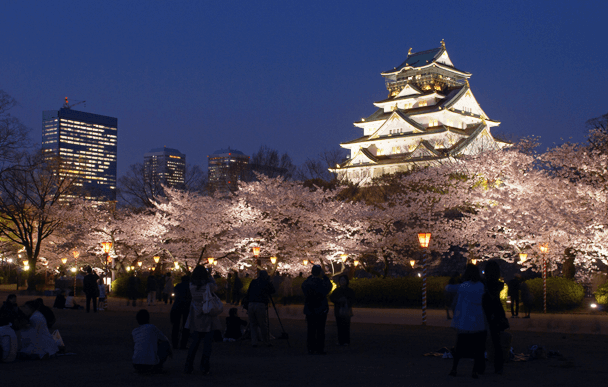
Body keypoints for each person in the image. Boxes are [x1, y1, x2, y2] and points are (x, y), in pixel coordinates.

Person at [445, 264, 486, 378]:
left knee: (459, 346)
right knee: (477, 348)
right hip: (478, 320)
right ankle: (474, 371)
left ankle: (454, 369)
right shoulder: (481, 286)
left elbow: (448, 288)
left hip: (465, 321)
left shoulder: (463, 286)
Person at [184, 266, 221, 375]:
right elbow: (216, 287)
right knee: (207, 345)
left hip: (196, 315)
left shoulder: (191, 286)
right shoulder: (208, 286)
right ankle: (204, 367)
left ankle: (188, 366)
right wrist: (210, 276)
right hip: (207, 315)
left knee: (194, 343)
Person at [483, 260, 508, 375]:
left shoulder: (484, 285)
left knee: (482, 340)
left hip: (486, 311)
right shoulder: (500, 285)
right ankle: (499, 366)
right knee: (497, 341)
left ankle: (481, 365)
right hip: (497, 312)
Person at [302, 265, 332, 355]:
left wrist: (310, 277)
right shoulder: (322, 283)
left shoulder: (307, 283)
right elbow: (329, 287)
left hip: (310, 309)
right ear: (320, 272)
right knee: (320, 330)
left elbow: (303, 287)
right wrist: (324, 276)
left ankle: (310, 348)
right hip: (321, 309)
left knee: (310, 330)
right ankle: (320, 348)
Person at [132, 309, 172, 374]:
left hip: (136, 364)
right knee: (165, 344)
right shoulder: (152, 328)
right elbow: (164, 339)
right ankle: (158, 366)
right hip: (151, 365)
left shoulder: (134, 331)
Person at [246, 270, 276, 348]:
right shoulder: (265, 282)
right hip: (260, 304)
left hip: (251, 303)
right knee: (263, 324)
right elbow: (273, 291)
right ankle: (266, 341)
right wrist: (269, 282)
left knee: (253, 324)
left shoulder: (253, 282)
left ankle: (254, 342)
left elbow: (248, 292)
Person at [329, 275, 355, 346]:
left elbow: (353, 299)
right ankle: (340, 340)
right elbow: (332, 298)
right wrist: (338, 301)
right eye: (341, 280)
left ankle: (346, 340)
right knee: (339, 326)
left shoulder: (349, 291)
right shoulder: (337, 290)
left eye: (344, 280)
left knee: (346, 326)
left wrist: (347, 301)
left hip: (346, 310)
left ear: (346, 281)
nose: (342, 282)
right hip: (338, 310)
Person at [170, 275, 191, 350]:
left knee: (176, 326)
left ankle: (174, 344)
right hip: (186, 306)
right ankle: (183, 344)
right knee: (186, 326)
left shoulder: (178, 286)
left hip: (177, 306)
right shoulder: (190, 287)